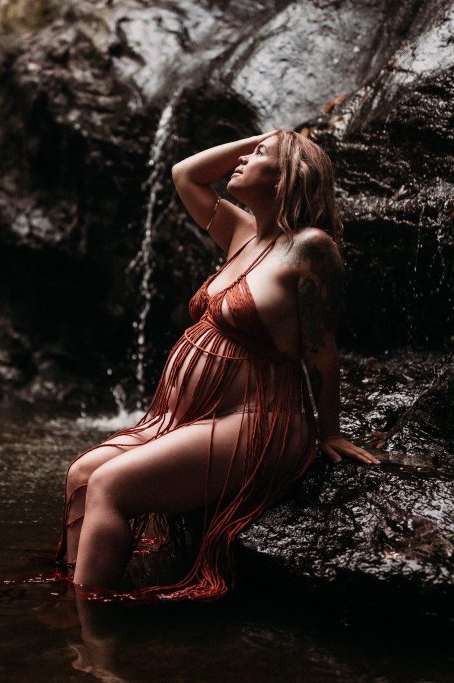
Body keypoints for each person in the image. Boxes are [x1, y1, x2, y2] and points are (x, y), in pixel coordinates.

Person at [55, 128, 381, 602]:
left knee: (109, 484)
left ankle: (92, 636)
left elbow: (321, 347)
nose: (242, 159)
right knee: (82, 474)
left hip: (258, 418)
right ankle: (73, 600)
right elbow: (184, 174)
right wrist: (268, 137)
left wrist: (328, 432)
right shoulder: (241, 231)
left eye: (259, 155)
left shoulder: (311, 247)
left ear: (290, 176)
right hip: (196, 415)